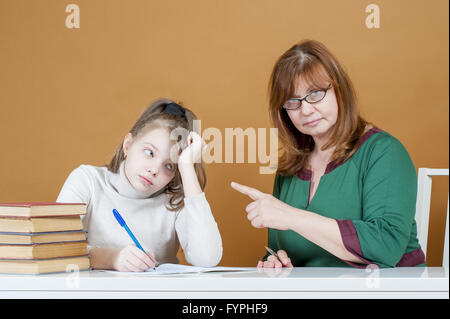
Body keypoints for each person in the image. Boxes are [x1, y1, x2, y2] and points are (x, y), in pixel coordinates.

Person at [231, 40, 425, 268]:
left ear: (339, 90)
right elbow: (280, 250)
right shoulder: (289, 170)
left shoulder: (384, 152)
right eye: (292, 101)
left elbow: (385, 246)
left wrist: (292, 216)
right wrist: (276, 263)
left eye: (315, 94)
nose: (305, 109)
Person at [57, 98, 222, 272]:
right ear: (128, 145)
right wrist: (111, 259)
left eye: (169, 165)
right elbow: (55, 245)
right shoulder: (87, 181)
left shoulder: (175, 202)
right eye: (149, 152)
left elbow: (207, 258)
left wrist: (187, 167)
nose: (154, 170)